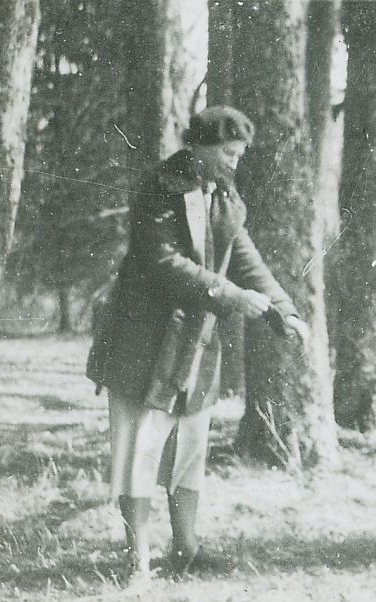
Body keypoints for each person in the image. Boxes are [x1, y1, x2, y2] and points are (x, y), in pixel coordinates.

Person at [86, 105, 309, 584]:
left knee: (190, 446)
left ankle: (185, 547)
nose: (235, 162)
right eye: (228, 152)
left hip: (195, 339)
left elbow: (244, 255)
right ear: (199, 146)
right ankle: (138, 560)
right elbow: (163, 261)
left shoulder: (224, 194)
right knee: (141, 446)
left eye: (239, 154)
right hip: (146, 338)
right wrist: (229, 295)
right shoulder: (159, 187)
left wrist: (283, 310)